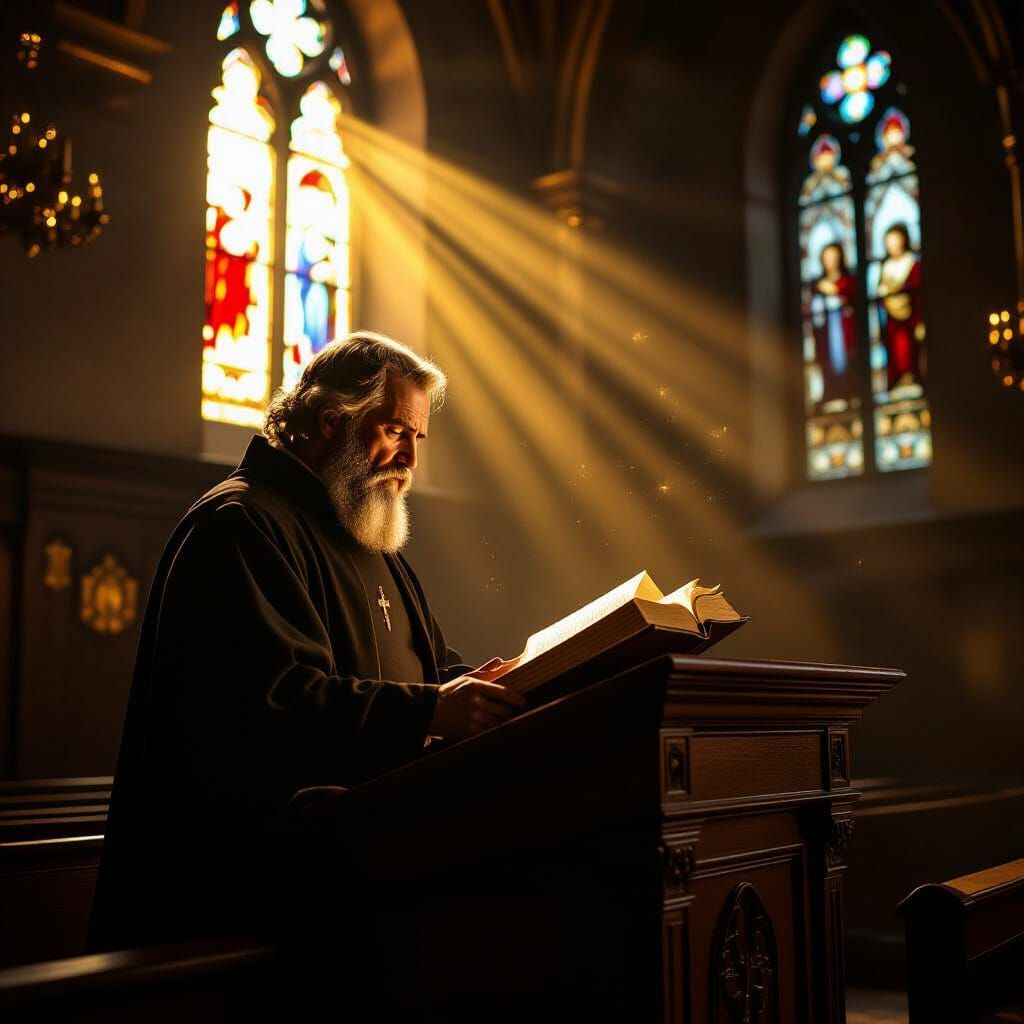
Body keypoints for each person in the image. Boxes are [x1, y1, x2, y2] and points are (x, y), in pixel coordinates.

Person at [88, 332, 524, 952]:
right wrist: (431, 709)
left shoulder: (365, 534)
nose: (410, 459)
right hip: (248, 902)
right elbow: (271, 701)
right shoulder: (240, 525)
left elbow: (430, 665)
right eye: (396, 431)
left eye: (417, 438)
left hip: (366, 878)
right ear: (331, 421)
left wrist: (490, 685)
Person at [876, 222, 923, 390]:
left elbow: (917, 294)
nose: (892, 244)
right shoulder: (885, 266)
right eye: (889, 241)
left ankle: (911, 378)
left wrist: (919, 322)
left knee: (909, 351)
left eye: (895, 240)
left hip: (910, 320)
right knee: (895, 353)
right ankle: (898, 382)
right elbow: (880, 294)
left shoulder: (913, 263)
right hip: (891, 322)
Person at [809, 241, 857, 406]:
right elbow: (814, 312)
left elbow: (851, 301)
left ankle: (848, 393)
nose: (830, 261)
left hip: (844, 331)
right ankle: (832, 393)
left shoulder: (847, 281)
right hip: (826, 333)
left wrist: (835, 292)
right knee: (828, 364)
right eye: (827, 258)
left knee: (847, 362)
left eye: (833, 257)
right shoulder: (817, 285)